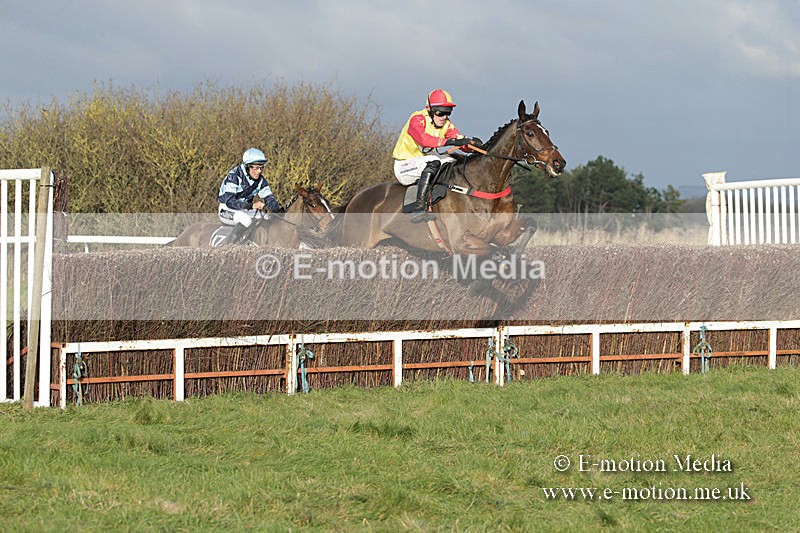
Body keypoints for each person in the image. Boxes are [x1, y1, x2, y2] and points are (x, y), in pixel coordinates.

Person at [392, 89, 482, 222]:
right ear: (430, 110)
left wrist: (472, 146)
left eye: (448, 112)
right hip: (405, 166)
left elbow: (458, 139)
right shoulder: (417, 119)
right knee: (434, 161)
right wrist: (449, 141)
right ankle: (419, 208)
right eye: (440, 112)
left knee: (453, 161)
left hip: (424, 162)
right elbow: (424, 139)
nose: (444, 117)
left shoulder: (446, 124)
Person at [217, 147, 283, 244]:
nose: (259, 171)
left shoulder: (261, 180)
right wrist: (252, 206)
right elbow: (230, 202)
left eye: (261, 168)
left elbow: (269, 198)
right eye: (256, 168)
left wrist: (279, 212)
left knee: (266, 219)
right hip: (226, 209)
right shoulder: (234, 176)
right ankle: (228, 249)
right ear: (247, 167)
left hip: (244, 210)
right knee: (246, 220)